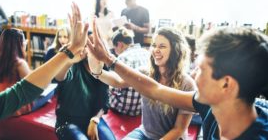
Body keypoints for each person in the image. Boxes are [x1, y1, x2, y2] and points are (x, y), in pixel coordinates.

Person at [88, 25, 268, 140]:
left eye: (202, 70)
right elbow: (155, 89)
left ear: (226, 85)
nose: (195, 75)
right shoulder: (208, 105)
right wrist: (106, 62)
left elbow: (178, 128)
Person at [0, 2, 88, 140]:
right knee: (51, 90)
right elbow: (29, 89)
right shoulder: (20, 63)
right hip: (22, 108)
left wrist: (70, 50)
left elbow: (22, 89)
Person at [88, 26, 195, 139]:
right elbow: (118, 81)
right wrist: (97, 72)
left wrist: (108, 59)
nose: (156, 50)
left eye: (162, 46)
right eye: (154, 45)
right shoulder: (145, 72)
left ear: (176, 50)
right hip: (145, 133)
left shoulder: (187, 84)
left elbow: (179, 129)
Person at [54, 31, 114, 140]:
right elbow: (59, 77)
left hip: (92, 119)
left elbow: (104, 102)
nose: (90, 49)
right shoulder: (73, 64)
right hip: (67, 122)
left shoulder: (102, 69)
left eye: (94, 45)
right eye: (87, 45)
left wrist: (95, 120)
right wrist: (68, 61)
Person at [0, 28, 32, 116]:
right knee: (49, 92)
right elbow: (33, 87)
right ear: (20, 44)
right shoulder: (19, 63)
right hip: (14, 110)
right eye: (24, 42)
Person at [108, 27, 150, 116]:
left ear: (120, 44)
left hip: (123, 108)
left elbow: (115, 86)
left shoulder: (122, 58)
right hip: (143, 108)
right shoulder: (147, 53)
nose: (115, 52)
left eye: (114, 48)